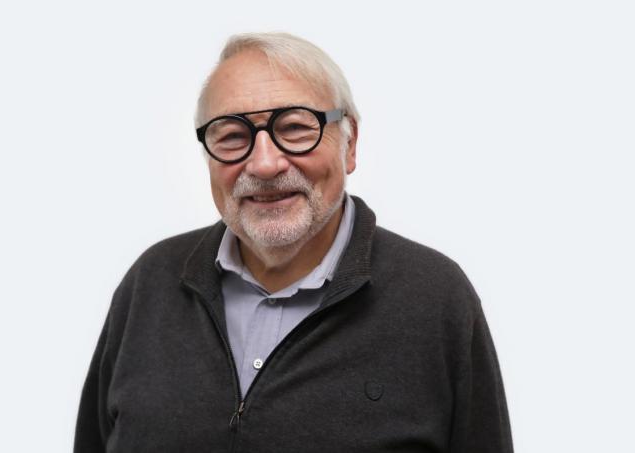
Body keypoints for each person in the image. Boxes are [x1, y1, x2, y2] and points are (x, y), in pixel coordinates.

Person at [74, 32, 513, 453]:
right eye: (232, 135)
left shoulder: (435, 299)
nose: (265, 164)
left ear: (350, 143)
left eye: (296, 128)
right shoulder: (149, 284)